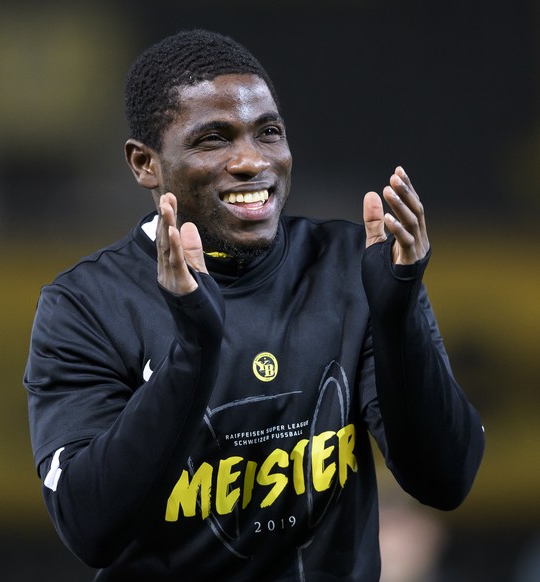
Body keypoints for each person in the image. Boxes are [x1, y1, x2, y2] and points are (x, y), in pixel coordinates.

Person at [24, 29, 485, 581]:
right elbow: (89, 527)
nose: (251, 160)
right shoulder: (84, 306)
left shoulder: (350, 265)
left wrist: (397, 318)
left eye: (268, 132)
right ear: (145, 163)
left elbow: (445, 479)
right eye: (213, 139)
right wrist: (194, 352)